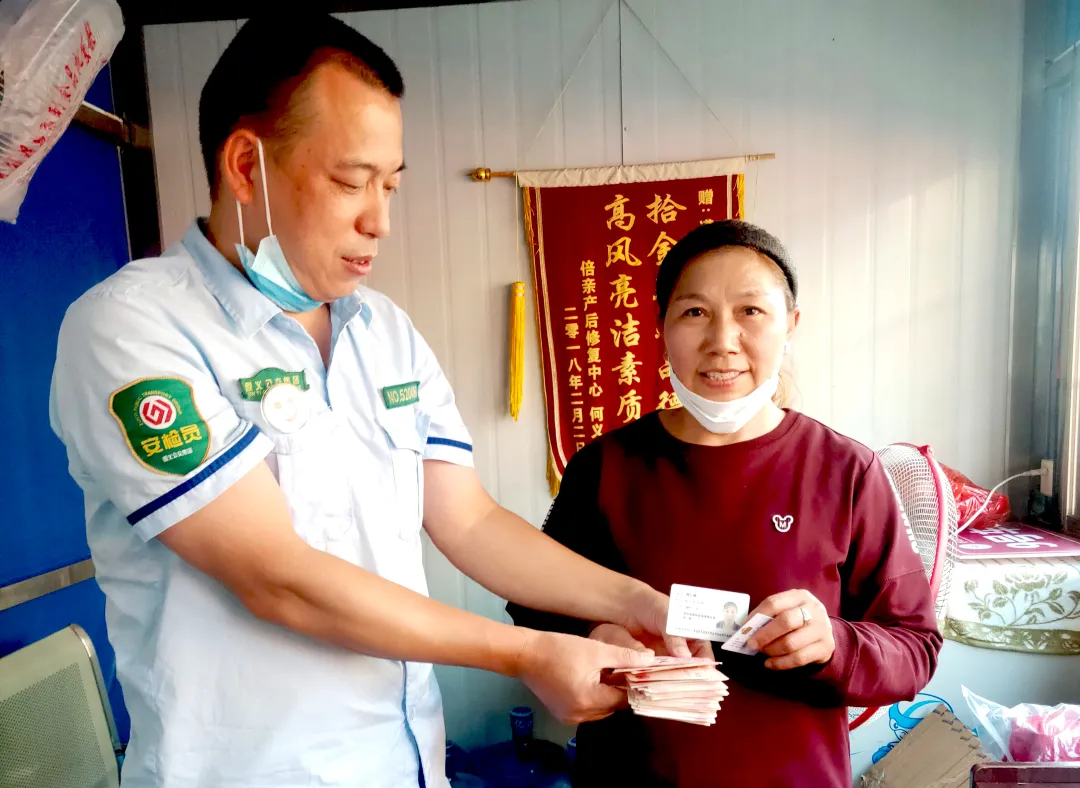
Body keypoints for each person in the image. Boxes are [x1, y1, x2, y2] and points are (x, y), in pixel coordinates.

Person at [48, 14, 691, 788]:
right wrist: (527, 653)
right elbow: (277, 576)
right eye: (351, 182)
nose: (379, 221)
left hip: (406, 764)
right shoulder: (135, 327)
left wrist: (638, 601)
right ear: (246, 167)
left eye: (390, 185)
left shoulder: (383, 331)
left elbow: (469, 520)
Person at [507, 220, 943, 788]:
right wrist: (595, 635)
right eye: (695, 312)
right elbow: (535, 602)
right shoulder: (605, 467)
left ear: (790, 325)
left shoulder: (846, 471)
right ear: (661, 325)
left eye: (750, 311)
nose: (722, 341)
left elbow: (915, 646)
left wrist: (834, 644)